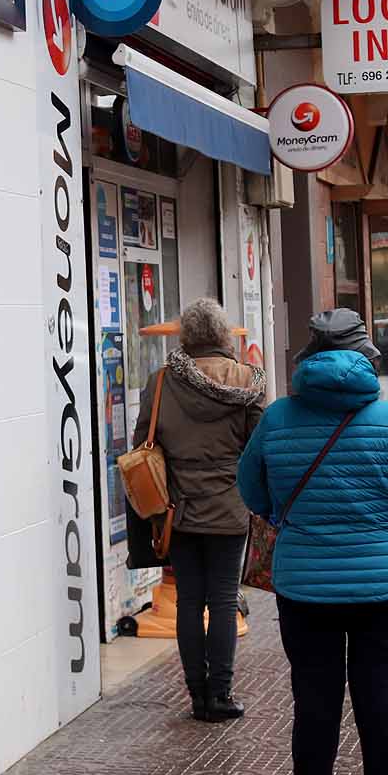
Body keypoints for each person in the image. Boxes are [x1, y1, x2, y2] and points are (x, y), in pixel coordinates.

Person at [236, 309, 388, 775]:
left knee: (314, 693)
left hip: (304, 585)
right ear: (367, 357)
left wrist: (293, 513)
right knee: (379, 694)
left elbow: (253, 495)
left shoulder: (276, 419)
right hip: (386, 584)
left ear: (308, 357)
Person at [132, 297, 265, 723]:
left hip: (177, 509)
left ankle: (197, 695)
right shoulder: (248, 381)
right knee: (223, 601)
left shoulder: (160, 381)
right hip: (230, 504)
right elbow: (260, 447)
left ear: (186, 336)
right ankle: (221, 694)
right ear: (224, 335)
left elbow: (142, 444)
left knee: (189, 600)